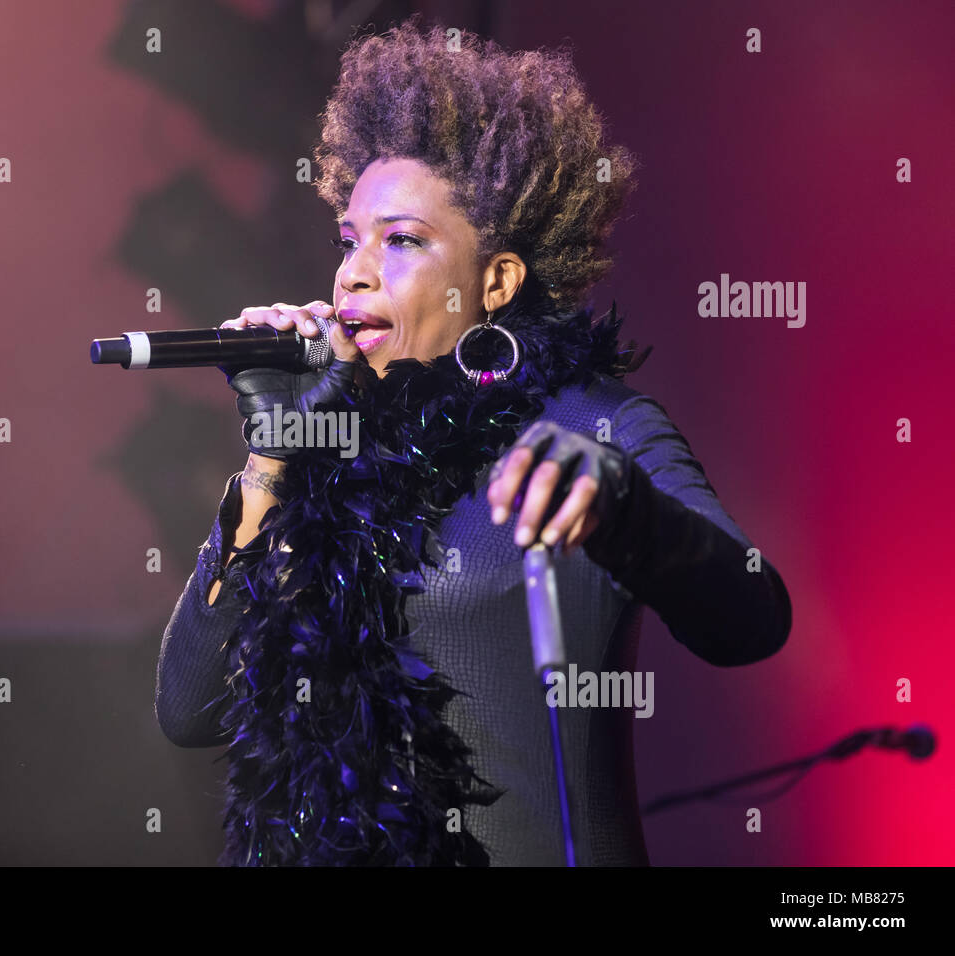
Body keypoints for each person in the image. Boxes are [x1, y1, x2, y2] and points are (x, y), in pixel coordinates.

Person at [154, 18, 791, 866]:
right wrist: (272, 454)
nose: (353, 272)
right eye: (350, 241)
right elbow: (189, 711)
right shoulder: (325, 449)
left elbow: (752, 618)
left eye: (402, 241)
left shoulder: (591, 426)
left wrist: (624, 510)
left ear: (496, 280)